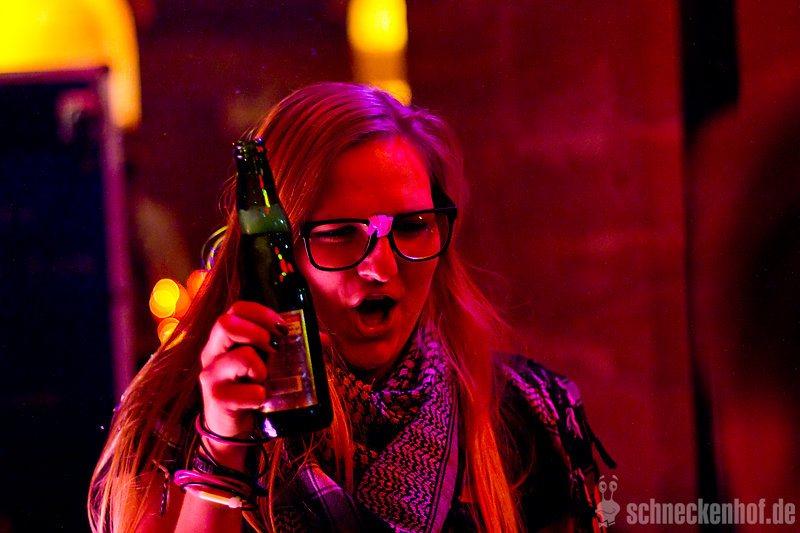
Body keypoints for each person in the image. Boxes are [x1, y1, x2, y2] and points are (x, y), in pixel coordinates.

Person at [89, 82, 613, 533]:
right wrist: (224, 449)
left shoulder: (526, 414)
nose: (381, 267)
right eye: (341, 234)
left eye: (413, 226)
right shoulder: (178, 427)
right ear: (275, 249)